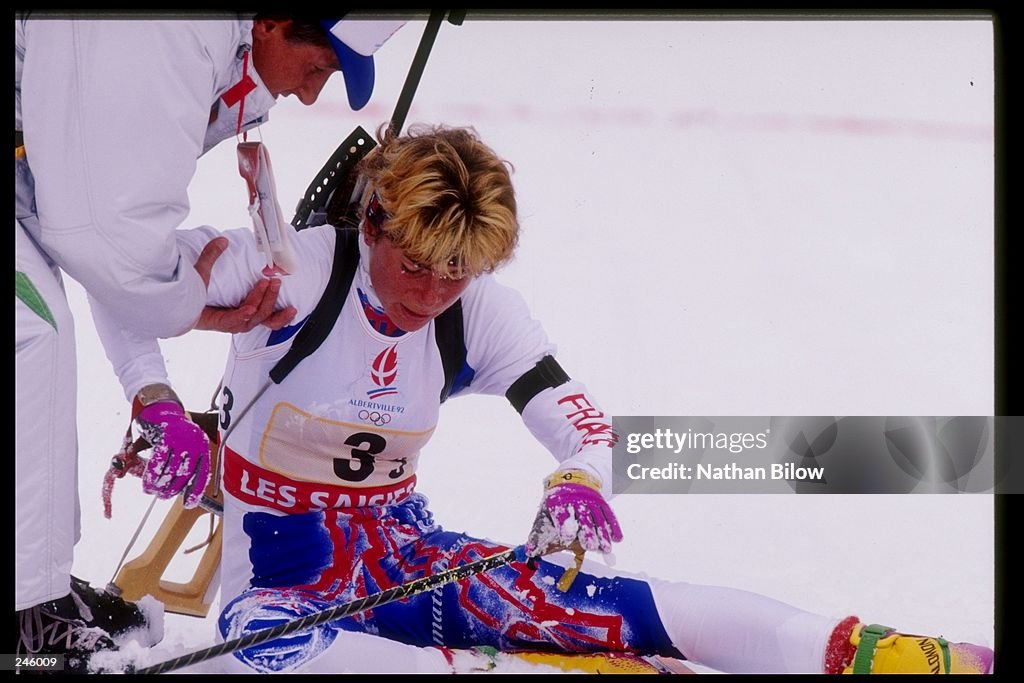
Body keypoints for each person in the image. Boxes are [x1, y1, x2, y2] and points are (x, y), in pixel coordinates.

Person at [94, 123, 995, 674]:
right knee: (260, 661)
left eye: (460, 271)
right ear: (372, 223)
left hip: (405, 552)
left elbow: (576, 414)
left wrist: (578, 479)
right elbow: (115, 279)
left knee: (623, 599)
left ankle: (867, 651)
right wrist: (157, 403)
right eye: (416, 264)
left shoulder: (473, 310)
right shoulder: (291, 271)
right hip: (282, 586)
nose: (434, 292)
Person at [14, 12, 406, 668]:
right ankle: (25, 621)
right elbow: (105, 241)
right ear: (278, 21)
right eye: (319, 69)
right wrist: (185, 302)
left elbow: (97, 236)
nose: (312, 95)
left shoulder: (212, 55)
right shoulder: (170, 45)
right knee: (35, 336)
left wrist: (153, 393)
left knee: (39, 331)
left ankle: (34, 596)